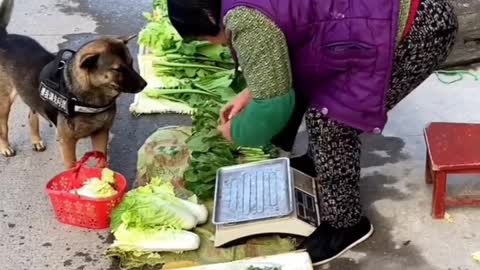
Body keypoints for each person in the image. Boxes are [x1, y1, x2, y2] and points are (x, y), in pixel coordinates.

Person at [167, 0, 458, 265]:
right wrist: (250, 92)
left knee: (333, 121)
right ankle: (320, 163)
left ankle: (345, 225)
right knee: (319, 95)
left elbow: (272, 109)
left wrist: (238, 133)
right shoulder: (241, 9)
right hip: (379, 19)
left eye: (204, 38)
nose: (212, 44)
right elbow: (279, 57)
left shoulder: (244, 20)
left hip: (419, 30)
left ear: (208, 18)